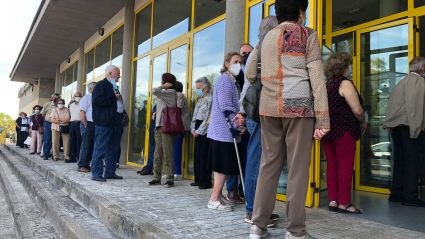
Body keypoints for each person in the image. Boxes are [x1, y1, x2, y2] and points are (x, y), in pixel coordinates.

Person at [246, 0, 330, 238]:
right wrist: (323, 119)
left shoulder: (266, 37)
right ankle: (295, 231)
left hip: (269, 107)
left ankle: (257, 226)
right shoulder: (308, 35)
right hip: (299, 107)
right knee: (297, 169)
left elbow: (251, 74)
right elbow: (316, 78)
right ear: (301, 11)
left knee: (268, 165)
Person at [237, 16, 280, 227]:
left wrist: (242, 112)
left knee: (260, 160)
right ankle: (253, 211)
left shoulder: (257, 50)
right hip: (264, 111)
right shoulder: (264, 49)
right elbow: (250, 82)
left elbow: (247, 85)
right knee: (258, 161)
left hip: (256, 111)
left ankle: (257, 209)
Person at [322, 52, 366, 214]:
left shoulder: (327, 85)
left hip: (328, 131)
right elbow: (357, 110)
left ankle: (333, 201)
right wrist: (363, 121)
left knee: (332, 166)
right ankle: (345, 203)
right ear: (344, 67)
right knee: (345, 167)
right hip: (344, 130)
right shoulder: (345, 84)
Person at [384, 56, 425, 207]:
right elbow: (418, 108)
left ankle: (396, 193)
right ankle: (410, 196)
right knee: (413, 161)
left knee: (400, 160)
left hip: (396, 128)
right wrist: (417, 128)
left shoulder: (400, 83)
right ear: (423, 68)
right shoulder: (420, 83)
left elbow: (390, 104)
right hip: (412, 126)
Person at [207, 52, 246, 211]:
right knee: (223, 167)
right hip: (224, 132)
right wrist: (238, 126)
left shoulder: (231, 80)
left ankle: (218, 195)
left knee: (223, 166)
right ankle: (214, 198)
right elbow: (226, 107)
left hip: (224, 132)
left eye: (241, 62)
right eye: (235, 61)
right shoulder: (225, 81)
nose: (239, 64)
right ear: (227, 64)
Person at [226, 43, 255, 204]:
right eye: (243, 53)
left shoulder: (251, 72)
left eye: (249, 53)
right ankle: (232, 190)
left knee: (247, 158)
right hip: (237, 122)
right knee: (234, 157)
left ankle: (245, 190)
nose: (246, 56)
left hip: (250, 123)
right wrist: (239, 123)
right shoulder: (233, 75)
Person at [91, 65, 123, 181]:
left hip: (115, 121)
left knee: (113, 149)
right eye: (118, 74)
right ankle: (96, 174)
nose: (119, 76)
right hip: (104, 122)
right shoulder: (101, 85)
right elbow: (97, 101)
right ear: (111, 73)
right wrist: (113, 98)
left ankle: (110, 172)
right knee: (100, 148)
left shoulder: (114, 86)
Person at [147, 73, 179, 188]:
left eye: (163, 81)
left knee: (168, 153)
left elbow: (154, 90)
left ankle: (170, 179)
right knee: (157, 153)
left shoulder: (170, 93)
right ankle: (156, 178)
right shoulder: (164, 96)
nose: (161, 83)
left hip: (167, 128)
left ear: (167, 82)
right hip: (158, 127)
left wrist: (163, 87)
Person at [190, 77, 213, 189]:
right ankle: (198, 179)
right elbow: (195, 115)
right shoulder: (200, 100)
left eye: (199, 88)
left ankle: (206, 181)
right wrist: (193, 129)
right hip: (197, 126)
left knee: (204, 155)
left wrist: (199, 131)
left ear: (206, 88)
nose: (197, 90)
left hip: (206, 129)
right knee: (197, 155)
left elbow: (209, 116)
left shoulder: (210, 99)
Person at [173, 81, 191, 181]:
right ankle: (173, 171)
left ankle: (177, 172)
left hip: (180, 126)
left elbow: (177, 109)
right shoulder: (175, 96)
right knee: (173, 149)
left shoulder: (179, 96)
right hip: (176, 126)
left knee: (176, 149)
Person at [78, 82, 96, 172]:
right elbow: (82, 112)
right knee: (85, 145)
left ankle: (86, 164)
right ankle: (81, 165)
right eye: (96, 88)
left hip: (94, 124)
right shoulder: (86, 98)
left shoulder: (94, 98)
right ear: (90, 89)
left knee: (91, 145)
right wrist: (85, 123)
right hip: (87, 124)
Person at [138, 102, 156, 175]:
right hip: (152, 131)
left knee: (154, 151)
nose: (155, 99)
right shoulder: (156, 106)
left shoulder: (161, 105)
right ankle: (148, 167)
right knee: (151, 150)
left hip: (156, 131)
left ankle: (149, 168)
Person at [41, 93, 60, 160]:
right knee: (47, 139)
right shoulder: (47, 104)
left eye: (57, 98)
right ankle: (45, 154)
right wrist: (48, 119)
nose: (56, 99)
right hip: (48, 123)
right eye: (55, 98)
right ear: (52, 98)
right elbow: (43, 114)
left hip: (57, 124)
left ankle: (54, 155)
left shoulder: (59, 105)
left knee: (55, 140)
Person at [68, 92, 82, 163]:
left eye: (78, 96)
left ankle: (79, 157)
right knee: (72, 140)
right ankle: (72, 157)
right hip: (72, 123)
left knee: (79, 140)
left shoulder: (82, 103)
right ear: (74, 97)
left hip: (80, 123)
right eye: (76, 96)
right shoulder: (71, 105)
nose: (77, 97)